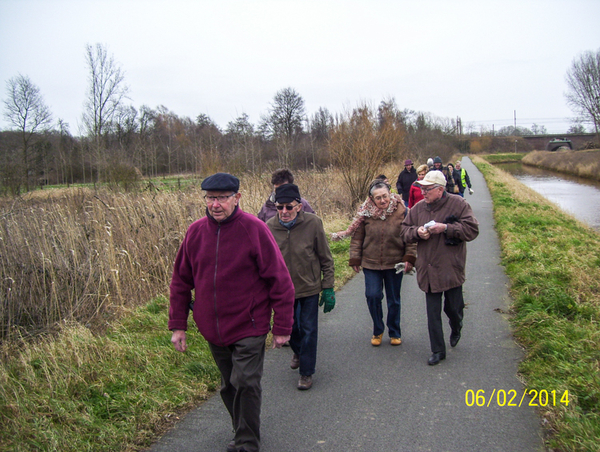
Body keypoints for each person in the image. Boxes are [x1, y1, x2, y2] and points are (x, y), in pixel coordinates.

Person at [169, 172, 295, 452]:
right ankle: (242, 428)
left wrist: (283, 327)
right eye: (211, 198)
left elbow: (280, 280)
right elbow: (180, 281)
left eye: (222, 198)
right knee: (230, 385)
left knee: (246, 382)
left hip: (249, 324)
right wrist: (179, 325)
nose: (216, 204)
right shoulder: (195, 232)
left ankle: (247, 443)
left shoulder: (254, 229)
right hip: (213, 328)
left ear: (237, 198)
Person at [401, 170, 479, 366]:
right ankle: (437, 350)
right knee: (432, 313)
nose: (423, 193)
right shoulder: (418, 208)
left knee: (453, 308)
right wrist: (417, 232)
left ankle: (456, 325)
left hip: (451, 267)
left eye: (427, 189)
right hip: (428, 269)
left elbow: (472, 230)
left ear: (440, 190)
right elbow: (403, 231)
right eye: (421, 189)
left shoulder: (459, 204)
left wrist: (445, 228)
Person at [267, 183, 335, 391]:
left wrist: (328, 286)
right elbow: (264, 262)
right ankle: (298, 351)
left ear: (299, 206)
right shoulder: (269, 227)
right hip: (283, 292)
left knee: (309, 329)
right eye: (280, 207)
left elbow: (326, 257)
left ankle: (306, 372)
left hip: (309, 287)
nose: (284, 212)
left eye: (289, 207)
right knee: (292, 330)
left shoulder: (313, 223)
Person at [349, 179, 417, 346]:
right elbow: (357, 238)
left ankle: (394, 331)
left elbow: (410, 237)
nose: (382, 200)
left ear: (390, 194)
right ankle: (377, 330)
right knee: (372, 296)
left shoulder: (403, 210)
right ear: (372, 199)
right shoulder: (365, 212)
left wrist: (409, 257)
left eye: (384, 196)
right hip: (371, 262)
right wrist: (355, 258)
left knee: (393, 299)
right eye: (378, 198)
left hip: (394, 262)